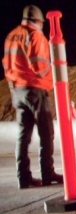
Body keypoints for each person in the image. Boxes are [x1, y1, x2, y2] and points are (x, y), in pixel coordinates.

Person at [2, 5, 63, 189]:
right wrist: (53, 81)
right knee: (46, 133)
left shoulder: (11, 36)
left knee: (23, 136)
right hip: (35, 90)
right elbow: (40, 66)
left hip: (17, 90)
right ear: (38, 21)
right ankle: (47, 173)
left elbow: (6, 65)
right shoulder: (36, 36)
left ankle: (24, 177)